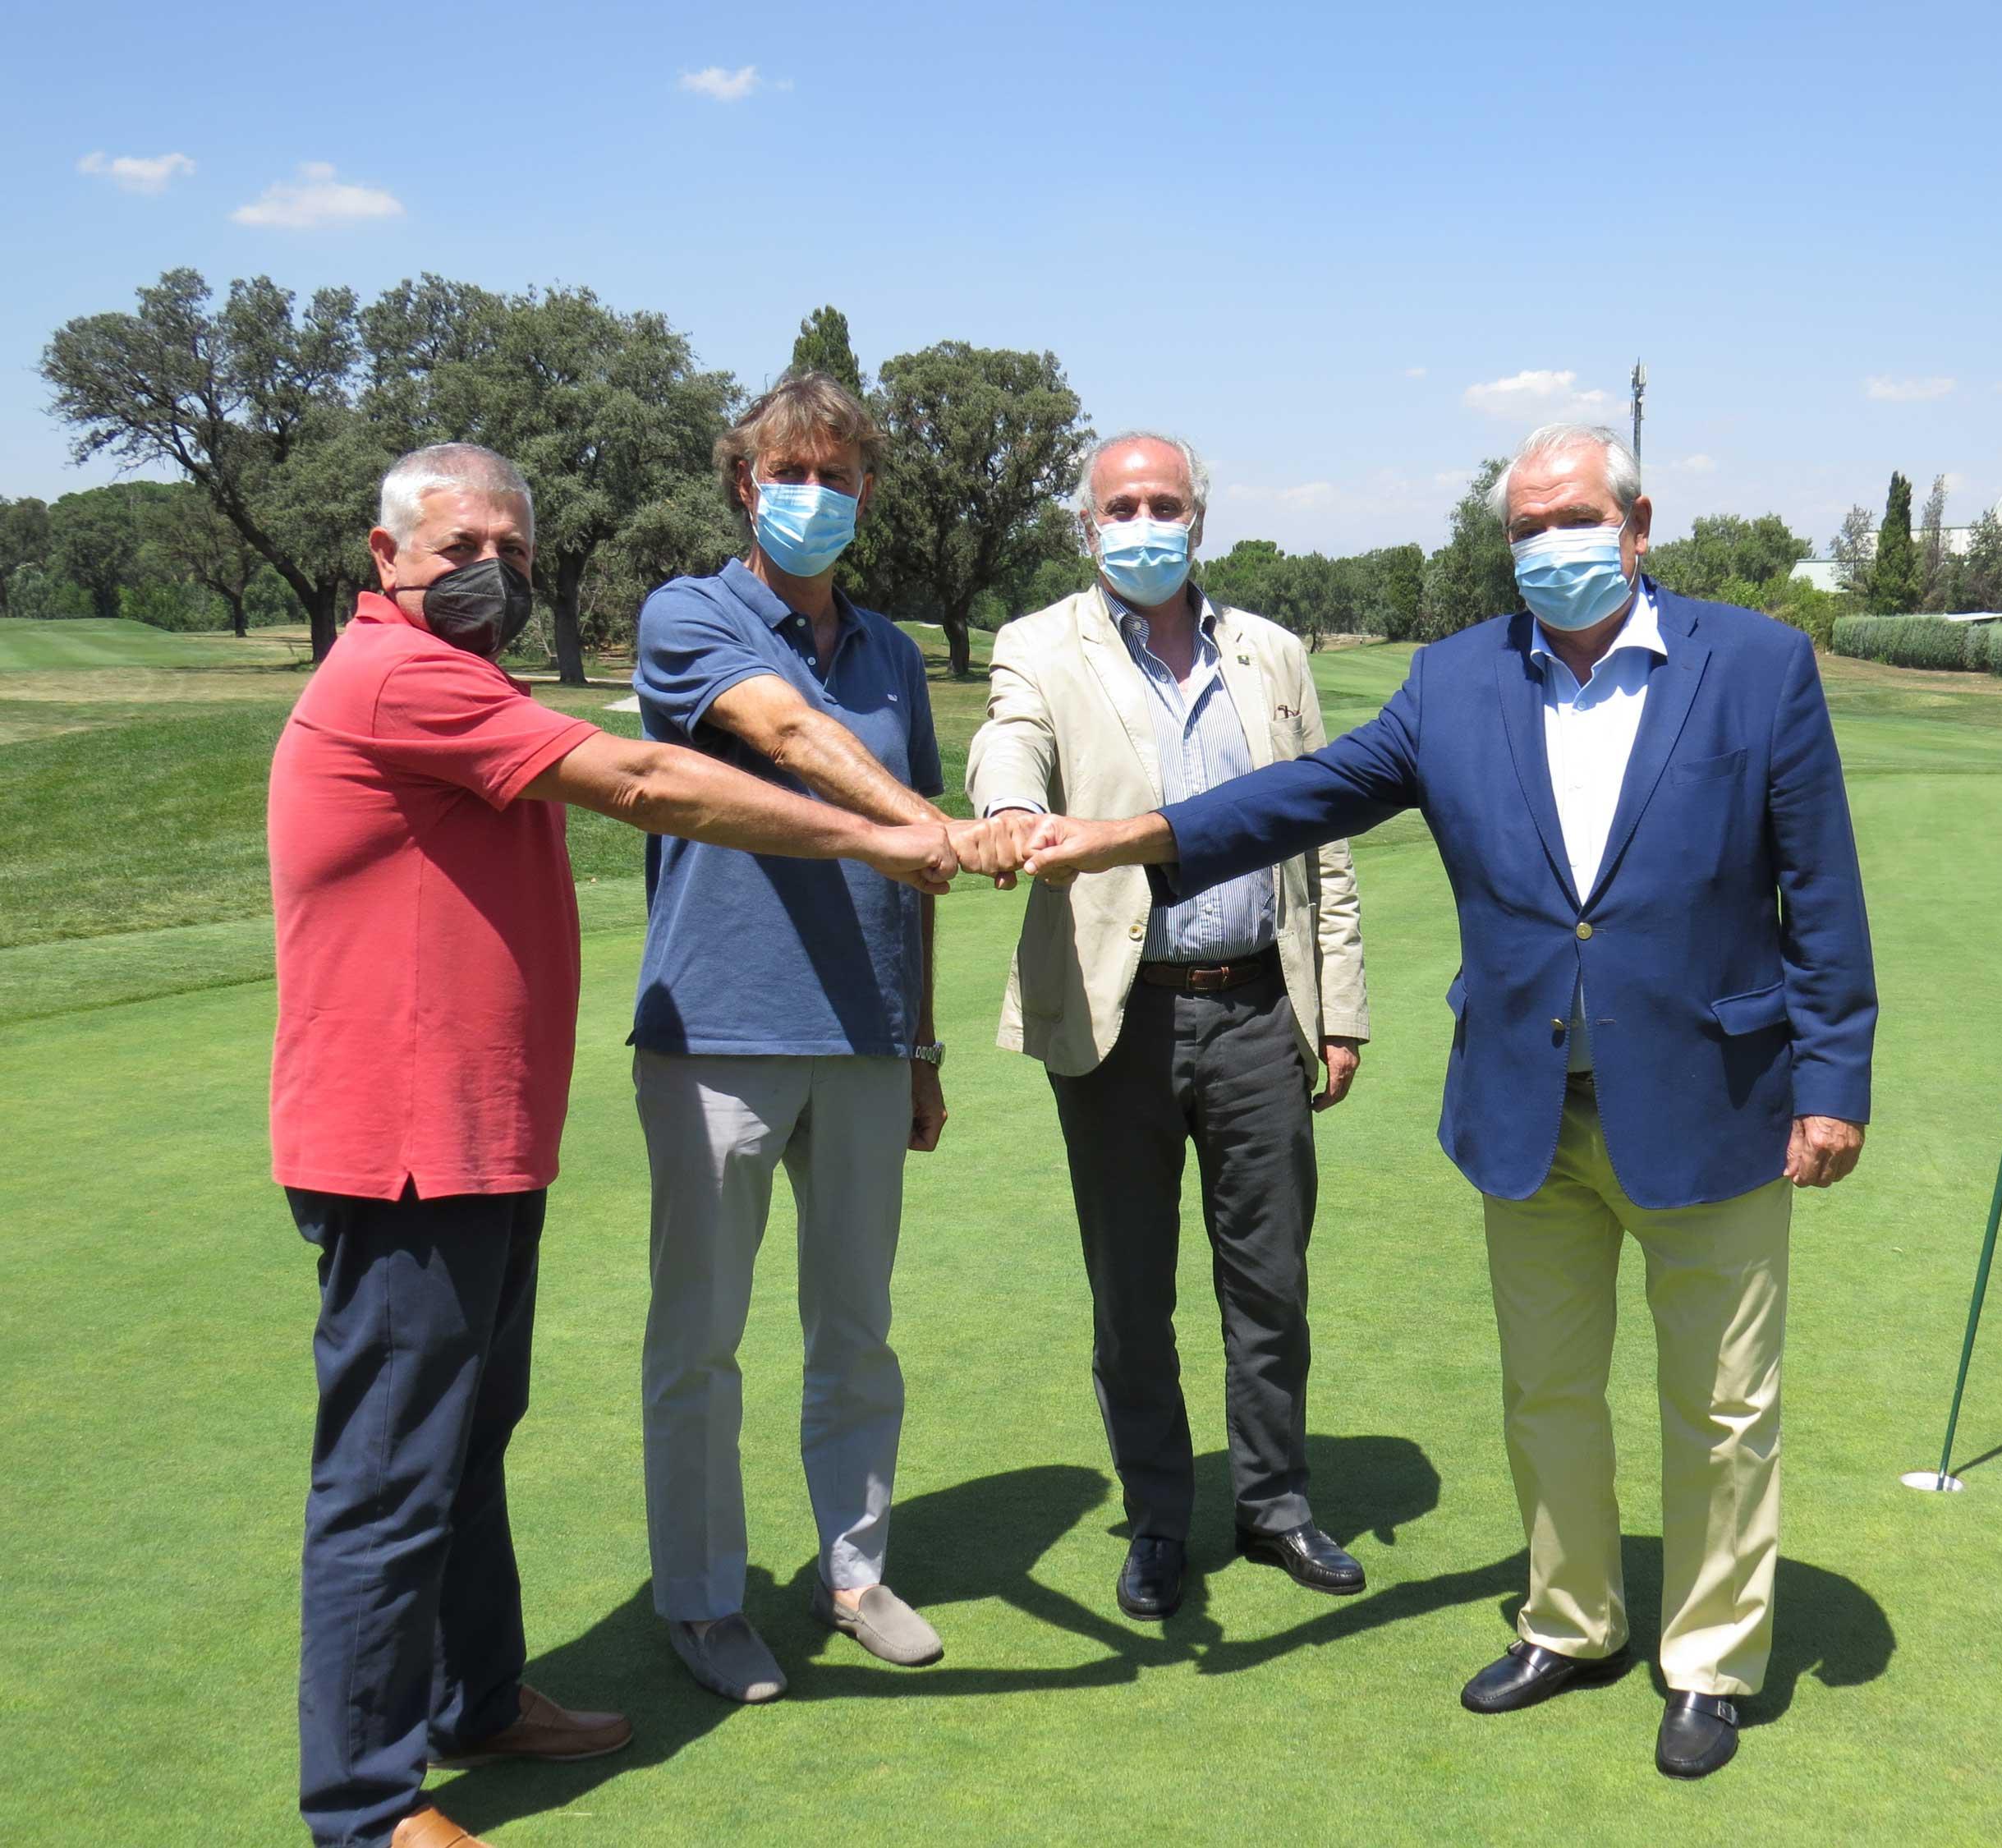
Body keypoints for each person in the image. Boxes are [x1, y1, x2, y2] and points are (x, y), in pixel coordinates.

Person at [1019, 422, 1877, 1777]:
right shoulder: (1456, 678)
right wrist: (1138, 837)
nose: (1552, 548)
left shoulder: (1759, 665)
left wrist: (1833, 1084)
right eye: (1526, 529)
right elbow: (1312, 791)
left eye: (1575, 519)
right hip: (1529, 1107)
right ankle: (1574, 1618)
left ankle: (1710, 1659)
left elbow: (1819, 892)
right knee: (1547, 1392)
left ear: (1638, 523)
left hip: (1715, 1101)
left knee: (1721, 1410)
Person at [269, 442, 958, 1848]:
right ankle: (362, 1807)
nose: (493, 574)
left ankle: (473, 1699)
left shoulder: (461, 676)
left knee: (465, 1446)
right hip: (401, 1140)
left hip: (475, 1134)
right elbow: (648, 781)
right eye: (459, 547)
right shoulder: (402, 674)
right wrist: (878, 836)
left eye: (514, 553)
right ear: (383, 553)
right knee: (391, 1477)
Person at [631, 373, 999, 1699]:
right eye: (791, 472)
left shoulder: (895, 649)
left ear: (866, 493)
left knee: (856, 1324)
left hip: (860, 1035)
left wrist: (922, 1045)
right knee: (702, 1336)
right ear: (745, 483)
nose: (815, 495)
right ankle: (705, 1597)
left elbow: (917, 882)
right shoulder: (690, 612)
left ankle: (855, 1571)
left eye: (839, 476)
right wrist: (929, 823)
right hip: (717, 1026)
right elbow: (784, 731)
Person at [965, 431, 1373, 1620]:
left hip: (1257, 1005)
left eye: (1167, 503)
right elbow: (1010, 739)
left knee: (1271, 1279)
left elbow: (1325, 835)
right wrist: (1006, 809)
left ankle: (1276, 1502)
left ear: (1203, 516)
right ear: (1086, 525)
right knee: (1131, 1292)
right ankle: (1156, 1519)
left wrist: (1335, 1006)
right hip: (1117, 1018)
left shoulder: (1274, 653)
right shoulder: (1039, 644)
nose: (1146, 521)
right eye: (1122, 505)